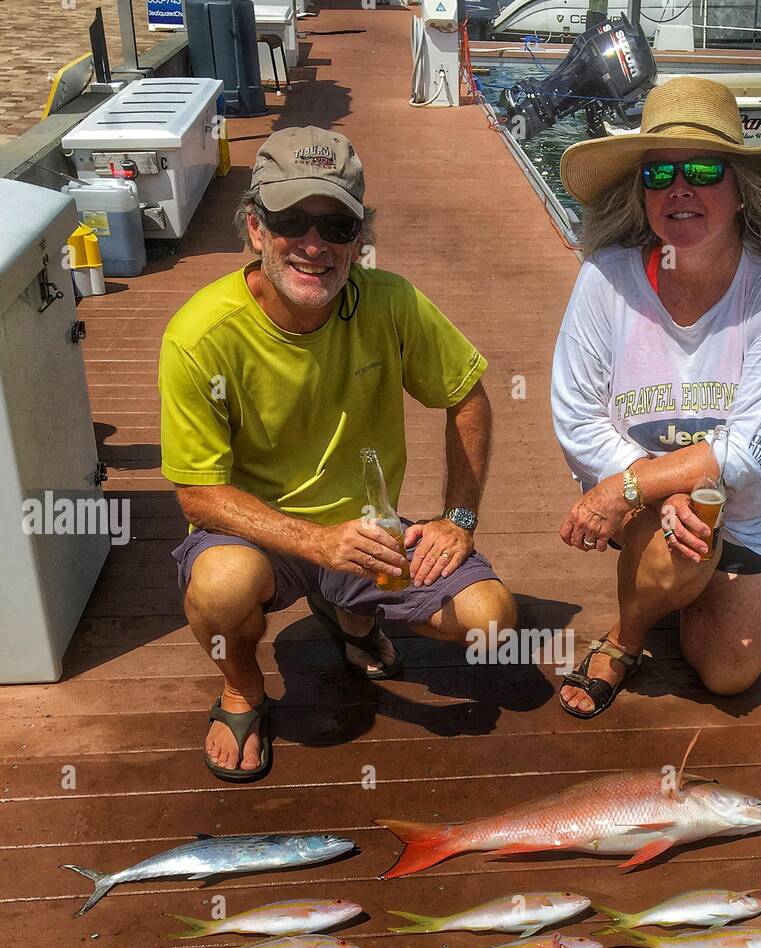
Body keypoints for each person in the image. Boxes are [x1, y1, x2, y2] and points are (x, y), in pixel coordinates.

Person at [159, 126, 515, 780]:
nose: (315, 245)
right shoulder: (199, 336)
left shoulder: (393, 302)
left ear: (361, 239)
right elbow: (196, 494)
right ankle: (242, 689)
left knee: (490, 618)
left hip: (369, 531)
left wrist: (457, 518)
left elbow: (466, 395)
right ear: (255, 230)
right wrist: (317, 544)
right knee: (220, 588)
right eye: (291, 220)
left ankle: (349, 615)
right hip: (256, 535)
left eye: (338, 225)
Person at [551, 77, 761, 717]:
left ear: (741, 189)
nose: (681, 188)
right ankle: (629, 634)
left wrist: (627, 489)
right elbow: (577, 415)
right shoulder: (604, 278)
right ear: (639, 192)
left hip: (741, 511)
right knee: (678, 554)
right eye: (659, 174)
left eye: (704, 169)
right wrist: (663, 494)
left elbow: (756, 449)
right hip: (647, 505)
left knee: (729, 673)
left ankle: (690, 583)